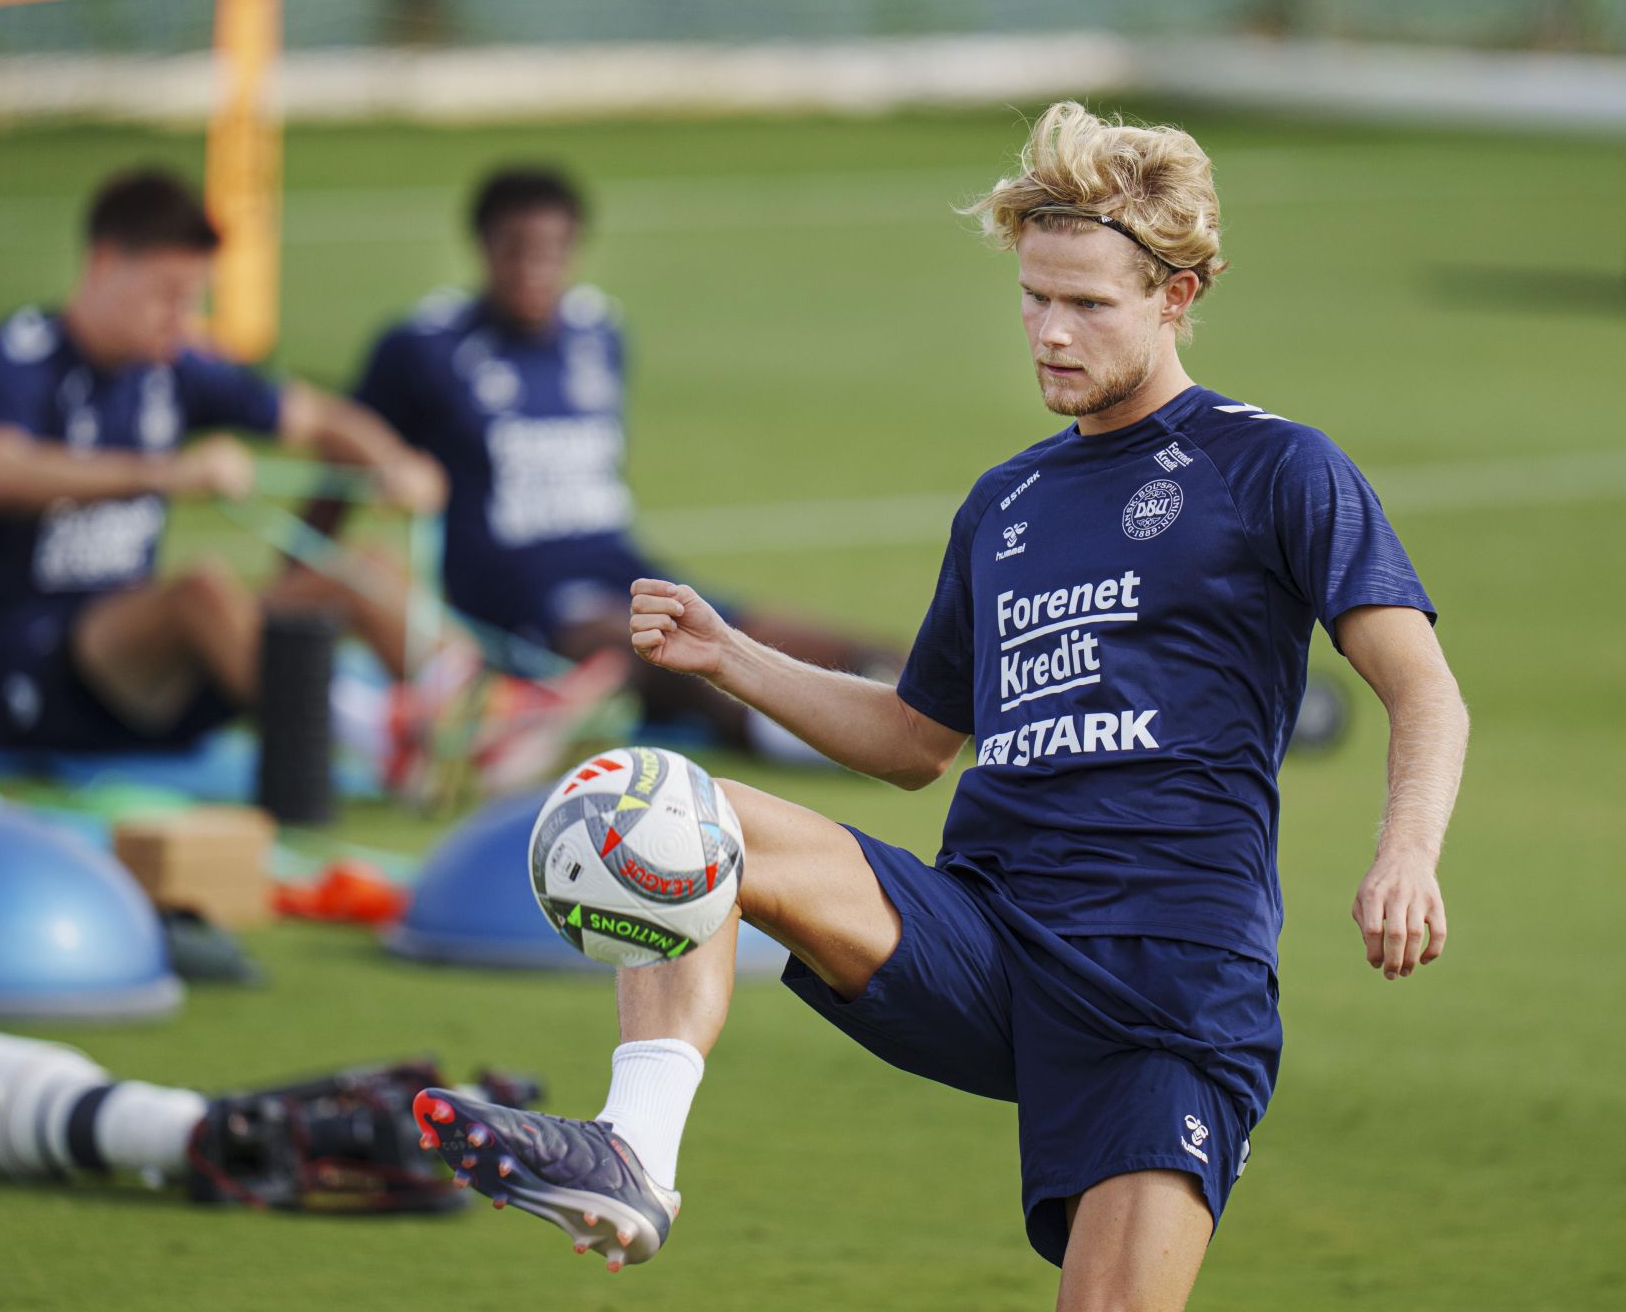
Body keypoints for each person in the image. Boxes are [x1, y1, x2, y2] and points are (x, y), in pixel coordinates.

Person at [411, 104, 1470, 1305]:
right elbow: (919, 742)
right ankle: (635, 1152)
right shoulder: (1007, 504)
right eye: (1034, 299)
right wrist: (732, 659)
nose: (1051, 335)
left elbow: (1423, 689)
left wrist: (1407, 855)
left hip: (1165, 984)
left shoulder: (1275, 467)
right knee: (675, 808)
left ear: (1179, 294)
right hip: (987, 934)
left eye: (1089, 306)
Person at [0, 167, 612, 785]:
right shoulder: (23, 352)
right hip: (33, 677)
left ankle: (485, 711)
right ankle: (380, 735)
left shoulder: (170, 366)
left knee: (358, 565)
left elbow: (317, 416)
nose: (180, 320)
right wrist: (169, 472)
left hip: (162, 681)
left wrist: (392, 464)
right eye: (168, 296)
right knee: (199, 585)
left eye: (192, 299)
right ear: (105, 263)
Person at [329, 165, 899, 764]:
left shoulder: (599, 333)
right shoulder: (424, 348)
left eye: (552, 250)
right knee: (678, 660)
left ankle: (952, 707)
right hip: (529, 611)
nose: (534, 267)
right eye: (516, 249)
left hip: (627, 572)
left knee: (820, 643)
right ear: (483, 248)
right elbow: (343, 447)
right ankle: (841, 742)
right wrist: (307, 556)